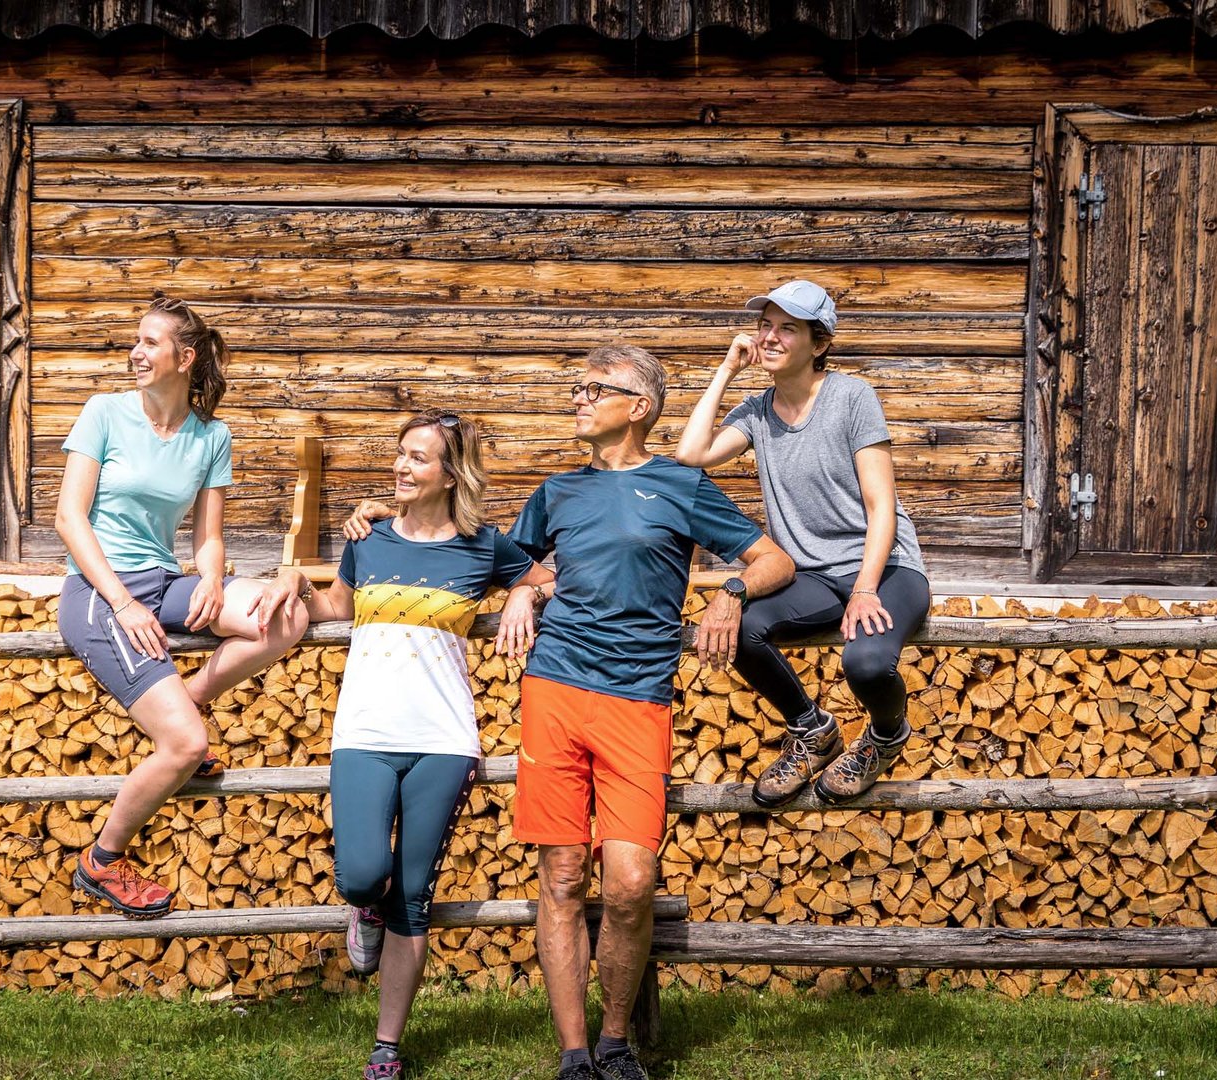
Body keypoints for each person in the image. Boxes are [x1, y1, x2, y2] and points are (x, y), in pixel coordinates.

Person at [347, 347, 794, 1080]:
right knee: (560, 877)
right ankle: (578, 1054)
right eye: (577, 387)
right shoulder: (557, 492)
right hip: (554, 689)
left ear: (640, 406)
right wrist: (521, 587)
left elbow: (773, 558)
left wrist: (730, 593)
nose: (579, 399)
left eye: (595, 389)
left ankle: (618, 1039)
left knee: (628, 881)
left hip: (638, 697)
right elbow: (503, 558)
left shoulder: (680, 484)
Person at [311, 410, 554, 1079]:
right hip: (362, 732)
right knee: (364, 873)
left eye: (418, 458)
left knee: (413, 894)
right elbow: (335, 608)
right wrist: (280, 586)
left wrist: (519, 600)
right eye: (399, 453)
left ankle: (386, 1048)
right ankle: (362, 908)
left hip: (442, 740)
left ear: (451, 474)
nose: (401, 466)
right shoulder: (371, 541)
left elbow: (542, 578)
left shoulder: (483, 547)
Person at [54, 295, 312, 918]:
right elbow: (68, 518)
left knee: (286, 617)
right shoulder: (104, 414)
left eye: (149, 342)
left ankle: (191, 693)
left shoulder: (210, 436)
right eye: (135, 341)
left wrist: (215, 581)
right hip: (98, 593)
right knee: (187, 746)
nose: (135, 353)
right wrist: (123, 603)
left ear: (184, 357)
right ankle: (103, 861)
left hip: (167, 580)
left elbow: (210, 537)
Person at [674, 280, 930, 806]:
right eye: (765, 325)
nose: (768, 337)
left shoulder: (851, 397)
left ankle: (885, 738)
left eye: (786, 328)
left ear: (819, 343)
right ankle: (812, 730)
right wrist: (726, 368)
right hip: (813, 576)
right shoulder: (756, 411)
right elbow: (691, 453)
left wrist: (864, 589)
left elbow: (882, 505)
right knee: (743, 629)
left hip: (886, 569)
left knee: (865, 664)